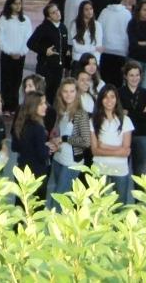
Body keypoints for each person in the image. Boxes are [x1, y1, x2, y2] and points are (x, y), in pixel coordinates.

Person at [47, 77, 91, 209]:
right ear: (60, 93)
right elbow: (56, 134)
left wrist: (64, 138)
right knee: (59, 195)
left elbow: (85, 141)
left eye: (72, 91)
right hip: (58, 158)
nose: (68, 94)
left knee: (59, 199)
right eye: (65, 91)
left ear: (77, 93)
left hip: (72, 163)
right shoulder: (61, 111)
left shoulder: (81, 114)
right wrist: (54, 141)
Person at [90, 85, 134, 205]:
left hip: (120, 169)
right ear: (101, 100)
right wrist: (118, 150)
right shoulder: (93, 121)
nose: (109, 100)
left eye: (112, 97)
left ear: (116, 99)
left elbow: (126, 151)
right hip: (99, 168)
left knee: (120, 206)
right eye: (105, 97)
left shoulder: (126, 120)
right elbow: (94, 151)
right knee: (97, 205)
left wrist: (104, 146)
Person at [0, 0, 32, 112]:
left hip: (20, 56)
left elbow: (28, 38)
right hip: (7, 56)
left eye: (20, 3)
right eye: (15, 4)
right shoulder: (3, 20)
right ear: (10, 5)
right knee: (6, 81)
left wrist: (21, 52)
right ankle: (6, 106)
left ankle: (14, 105)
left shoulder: (25, 20)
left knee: (17, 81)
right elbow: (0, 39)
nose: (18, 6)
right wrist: (10, 52)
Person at [12, 92, 50, 203]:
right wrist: (48, 149)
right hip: (36, 174)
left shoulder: (20, 123)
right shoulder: (38, 128)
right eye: (41, 104)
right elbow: (42, 155)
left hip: (22, 170)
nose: (45, 106)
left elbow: (15, 147)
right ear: (33, 106)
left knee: (20, 205)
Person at [27, 2, 69, 103]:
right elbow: (30, 43)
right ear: (48, 17)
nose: (57, 13)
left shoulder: (63, 27)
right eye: (53, 12)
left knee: (54, 94)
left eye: (57, 10)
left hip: (58, 68)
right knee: (42, 93)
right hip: (45, 67)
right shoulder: (43, 28)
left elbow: (64, 46)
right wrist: (45, 50)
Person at [119, 61, 146, 176]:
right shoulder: (119, 93)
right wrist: (141, 113)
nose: (135, 78)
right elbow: (119, 115)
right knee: (122, 170)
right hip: (123, 136)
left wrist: (129, 113)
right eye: (131, 75)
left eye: (137, 75)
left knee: (139, 172)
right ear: (125, 76)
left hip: (141, 135)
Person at [98, 0, 132, 86]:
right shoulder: (127, 14)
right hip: (121, 51)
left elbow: (99, 29)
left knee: (104, 80)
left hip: (106, 50)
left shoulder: (104, 12)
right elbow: (129, 32)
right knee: (118, 81)